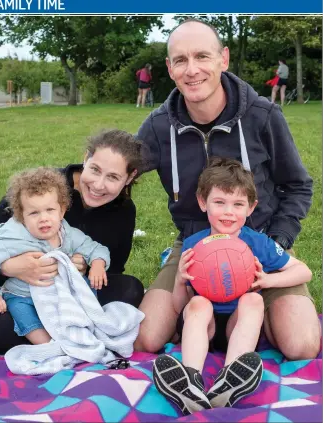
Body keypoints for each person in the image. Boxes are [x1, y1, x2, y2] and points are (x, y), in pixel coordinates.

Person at [135, 19, 321, 361]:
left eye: (202, 57)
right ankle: (200, 319)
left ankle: (256, 317)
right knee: (146, 337)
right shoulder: (158, 127)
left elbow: (297, 185)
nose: (192, 70)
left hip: (258, 242)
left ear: (224, 58)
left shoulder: (263, 115)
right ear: (169, 68)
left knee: (302, 345)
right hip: (195, 245)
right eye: (180, 60)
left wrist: (275, 244)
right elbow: (114, 174)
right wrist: (66, 185)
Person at [152, 157, 313, 415]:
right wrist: (181, 281)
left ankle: (231, 378)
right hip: (203, 328)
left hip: (239, 330)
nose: (229, 212)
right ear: (203, 203)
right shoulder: (194, 245)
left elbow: (304, 271)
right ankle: (191, 380)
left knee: (254, 300)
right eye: (219, 202)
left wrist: (268, 280)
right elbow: (178, 307)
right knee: (199, 302)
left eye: (238, 204)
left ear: (251, 208)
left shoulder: (257, 243)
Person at [0, 129, 145, 354]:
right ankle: (60, 338)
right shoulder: (37, 191)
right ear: (86, 158)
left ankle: (59, 336)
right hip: (18, 295)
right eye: (95, 169)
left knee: (131, 289)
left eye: (113, 177)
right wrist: (11, 267)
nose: (98, 185)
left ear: (129, 177)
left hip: (70, 297)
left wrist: (87, 267)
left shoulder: (124, 211)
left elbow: (112, 269)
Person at [0, 167, 112, 345]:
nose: (43, 218)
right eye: (34, 213)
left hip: (59, 296)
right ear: (22, 216)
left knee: (85, 294)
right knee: (22, 314)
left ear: (62, 210)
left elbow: (96, 248)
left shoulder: (67, 234)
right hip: (22, 295)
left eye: (50, 210)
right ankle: (48, 346)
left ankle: (83, 333)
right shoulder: (13, 238)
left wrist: (98, 264)